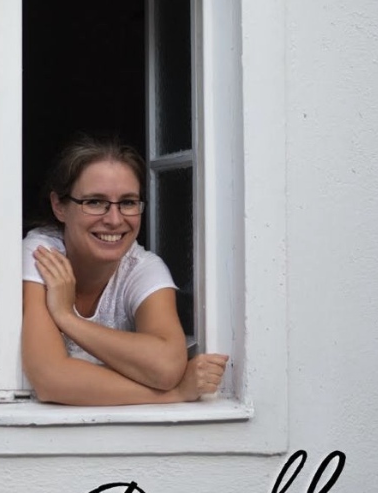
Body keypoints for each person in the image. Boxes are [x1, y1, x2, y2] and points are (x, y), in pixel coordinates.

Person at [22, 134, 228, 405]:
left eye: (128, 202)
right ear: (59, 206)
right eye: (94, 202)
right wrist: (175, 394)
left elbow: (166, 366)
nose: (114, 219)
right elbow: (51, 379)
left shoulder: (142, 268)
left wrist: (66, 317)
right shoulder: (41, 253)